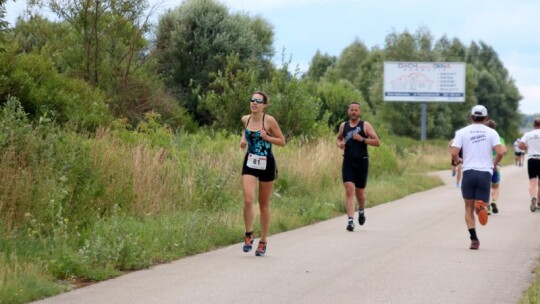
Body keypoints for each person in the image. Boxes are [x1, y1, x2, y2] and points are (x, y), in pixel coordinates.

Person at [451, 105, 503, 250]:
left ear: (471, 117)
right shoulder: (492, 132)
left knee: (468, 208)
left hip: (468, 172)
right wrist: (494, 164)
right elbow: (500, 151)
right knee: (480, 203)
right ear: (485, 118)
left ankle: (474, 239)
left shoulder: (462, 132)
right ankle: (482, 207)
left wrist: (458, 161)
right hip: (485, 173)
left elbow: (454, 152)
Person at [240, 91, 285, 256]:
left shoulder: (269, 120)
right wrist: (243, 140)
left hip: (267, 163)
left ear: (264, 104)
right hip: (250, 162)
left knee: (264, 204)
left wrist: (267, 138)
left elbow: (282, 141)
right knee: (248, 199)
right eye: (252, 100)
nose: (254, 103)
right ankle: (248, 234)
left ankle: (263, 240)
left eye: (258, 101)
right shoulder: (246, 119)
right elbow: (245, 133)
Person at [336, 102, 380, 232]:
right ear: (348, 111)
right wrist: (340, 144)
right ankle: (350, 221)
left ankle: (361, 210)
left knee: (359, 193)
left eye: (356, 110)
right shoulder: (344, 126)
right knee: (349, 189)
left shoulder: (365, 125)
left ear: (359, 112)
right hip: (348, 161)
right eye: (351, 110)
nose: (354, 112)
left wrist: (362, 139)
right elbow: (338, 139)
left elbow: (377, 142)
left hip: (362, 161)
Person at [485, 120, 507, 215]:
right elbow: (504, 151)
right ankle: (494, 200)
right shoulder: (499, 138)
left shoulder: (483, 137)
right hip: (496, 165)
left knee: (486, 187)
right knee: (495, 186)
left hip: (485, 165)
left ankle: (488, 205)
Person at [518, 118, 540, 212]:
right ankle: (539, 203)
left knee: (532, 182)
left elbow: (520, 146)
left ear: (533, 125)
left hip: (532, 159)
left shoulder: (528, 134)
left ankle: (533, 197)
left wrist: (528, 146)